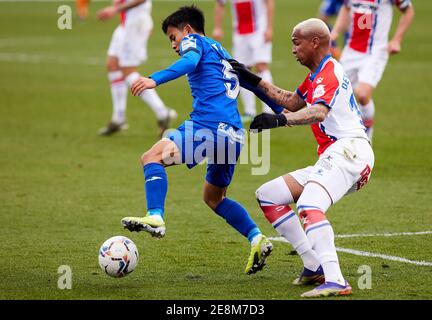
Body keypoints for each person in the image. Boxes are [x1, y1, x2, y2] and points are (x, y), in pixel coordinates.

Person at [121, 5, 274, 275]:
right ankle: (257, 238)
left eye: (172, 37)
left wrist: (153, 80)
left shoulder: (194, 40)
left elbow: (190, 62)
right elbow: (253, 83)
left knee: (151, 157)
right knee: (214, 197)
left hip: (208, 126)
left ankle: (155, 215)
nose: (173, 44)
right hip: (234, 135)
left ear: (188, 30)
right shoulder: (222, 51)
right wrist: (285, 112)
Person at [230, 18, 374, 297]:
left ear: (315, 42)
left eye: (296, 43)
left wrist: (279, 121)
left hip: (349, 151)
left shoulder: (328, 73)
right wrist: (251, 80)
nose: (293, 50)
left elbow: (318, 112)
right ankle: (313, 263)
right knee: (268, 194)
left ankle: (336, 280)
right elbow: (293, 101)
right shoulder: (317, 74)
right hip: (338, 155)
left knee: (308, 205)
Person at [330, 0, 414, 141]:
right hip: (350, 51)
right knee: (336, 96)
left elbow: (409, 11)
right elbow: (346, 8)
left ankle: (366, 138)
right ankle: (343, 138)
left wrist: (396, 40)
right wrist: (335, 32)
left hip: (375, 52)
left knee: (362, 94)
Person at [97, 0, 177, 137]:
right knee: (112, 64)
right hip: (126, 22)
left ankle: (163, 113)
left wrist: (116, 8)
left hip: (136, 22)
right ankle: (119, 118)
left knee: (128, 69)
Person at [212, 0, 275, 122]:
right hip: (240, 33)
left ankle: (268, 110)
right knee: (242, 70)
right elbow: (220, 3)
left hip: (259, 30)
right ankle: (249, 111)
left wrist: (269, 27)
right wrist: (217, 27)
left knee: (261, 66)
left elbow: (269, 2)